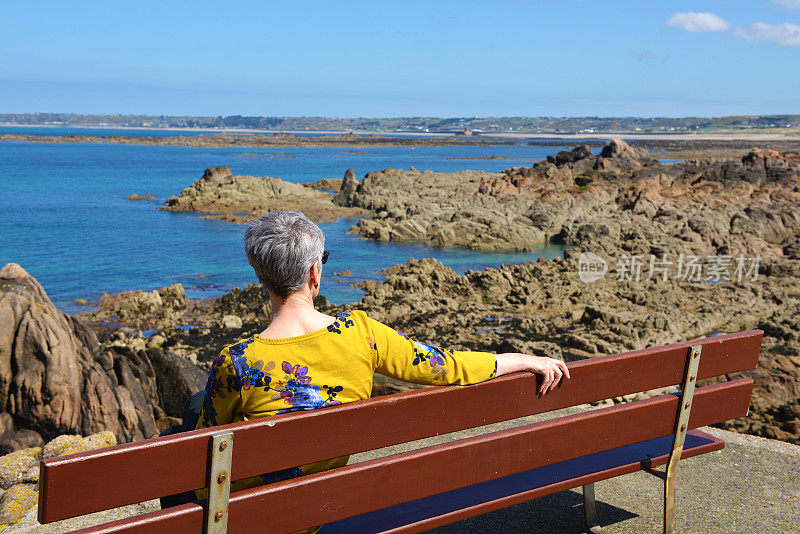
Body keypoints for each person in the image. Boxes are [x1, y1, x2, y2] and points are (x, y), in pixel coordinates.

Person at [190, 211, 569, 527]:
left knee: (193, 412)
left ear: (261, 276)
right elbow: (448, 367)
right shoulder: (361, 333)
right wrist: (522, 360)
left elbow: (203, 460)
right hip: (328, 502)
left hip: (258, 516)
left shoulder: (236, 361)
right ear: (313, 274)